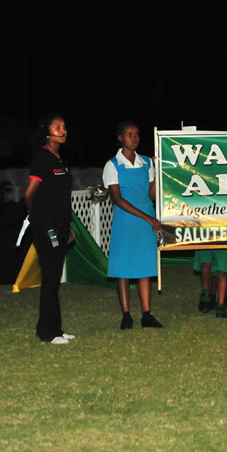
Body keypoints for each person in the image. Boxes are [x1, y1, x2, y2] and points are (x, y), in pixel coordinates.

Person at [103, 121, 163, 330]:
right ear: (120, 137)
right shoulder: (112, 165)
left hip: (146, 218)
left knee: (145, 267)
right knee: (124, 270)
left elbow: (151, 195)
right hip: (126, 221)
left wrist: (157, 171)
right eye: (130, 135)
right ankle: (126, 315)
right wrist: (146, 217)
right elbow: (117, 199)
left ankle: (146, 314)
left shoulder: (146, 162)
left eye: (137, 134)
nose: (134, 138)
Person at [24, 113, 76, 345]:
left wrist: (69, 227)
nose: (63, 131)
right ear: (47, 132)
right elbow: (29, 193)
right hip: (45, 227)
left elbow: (62, 197)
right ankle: (48, 333)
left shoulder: (60, 160)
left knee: (54, 279)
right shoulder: (42, 158)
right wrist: (38, 219)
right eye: (57, 127)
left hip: (62, 225)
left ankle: (55, 328)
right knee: (51, 278)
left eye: (64, 127)